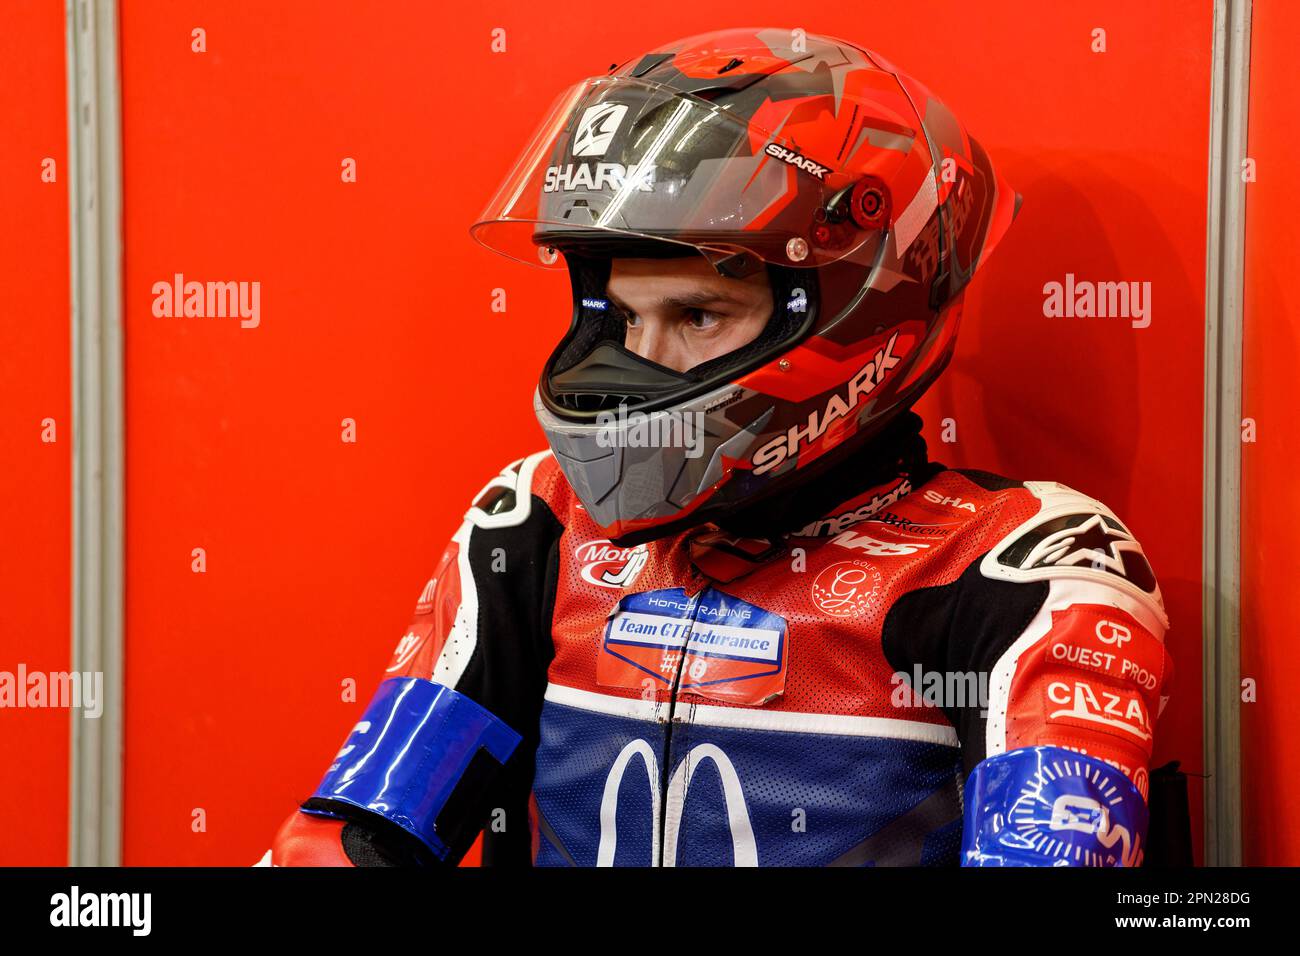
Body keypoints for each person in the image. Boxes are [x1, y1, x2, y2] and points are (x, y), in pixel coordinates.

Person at [262, 28, 1173, 867]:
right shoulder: (539, 522)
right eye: (620, 318)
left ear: (866, 309)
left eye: (697, 314)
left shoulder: (1019, 562)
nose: (638, 365)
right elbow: (360, 835)